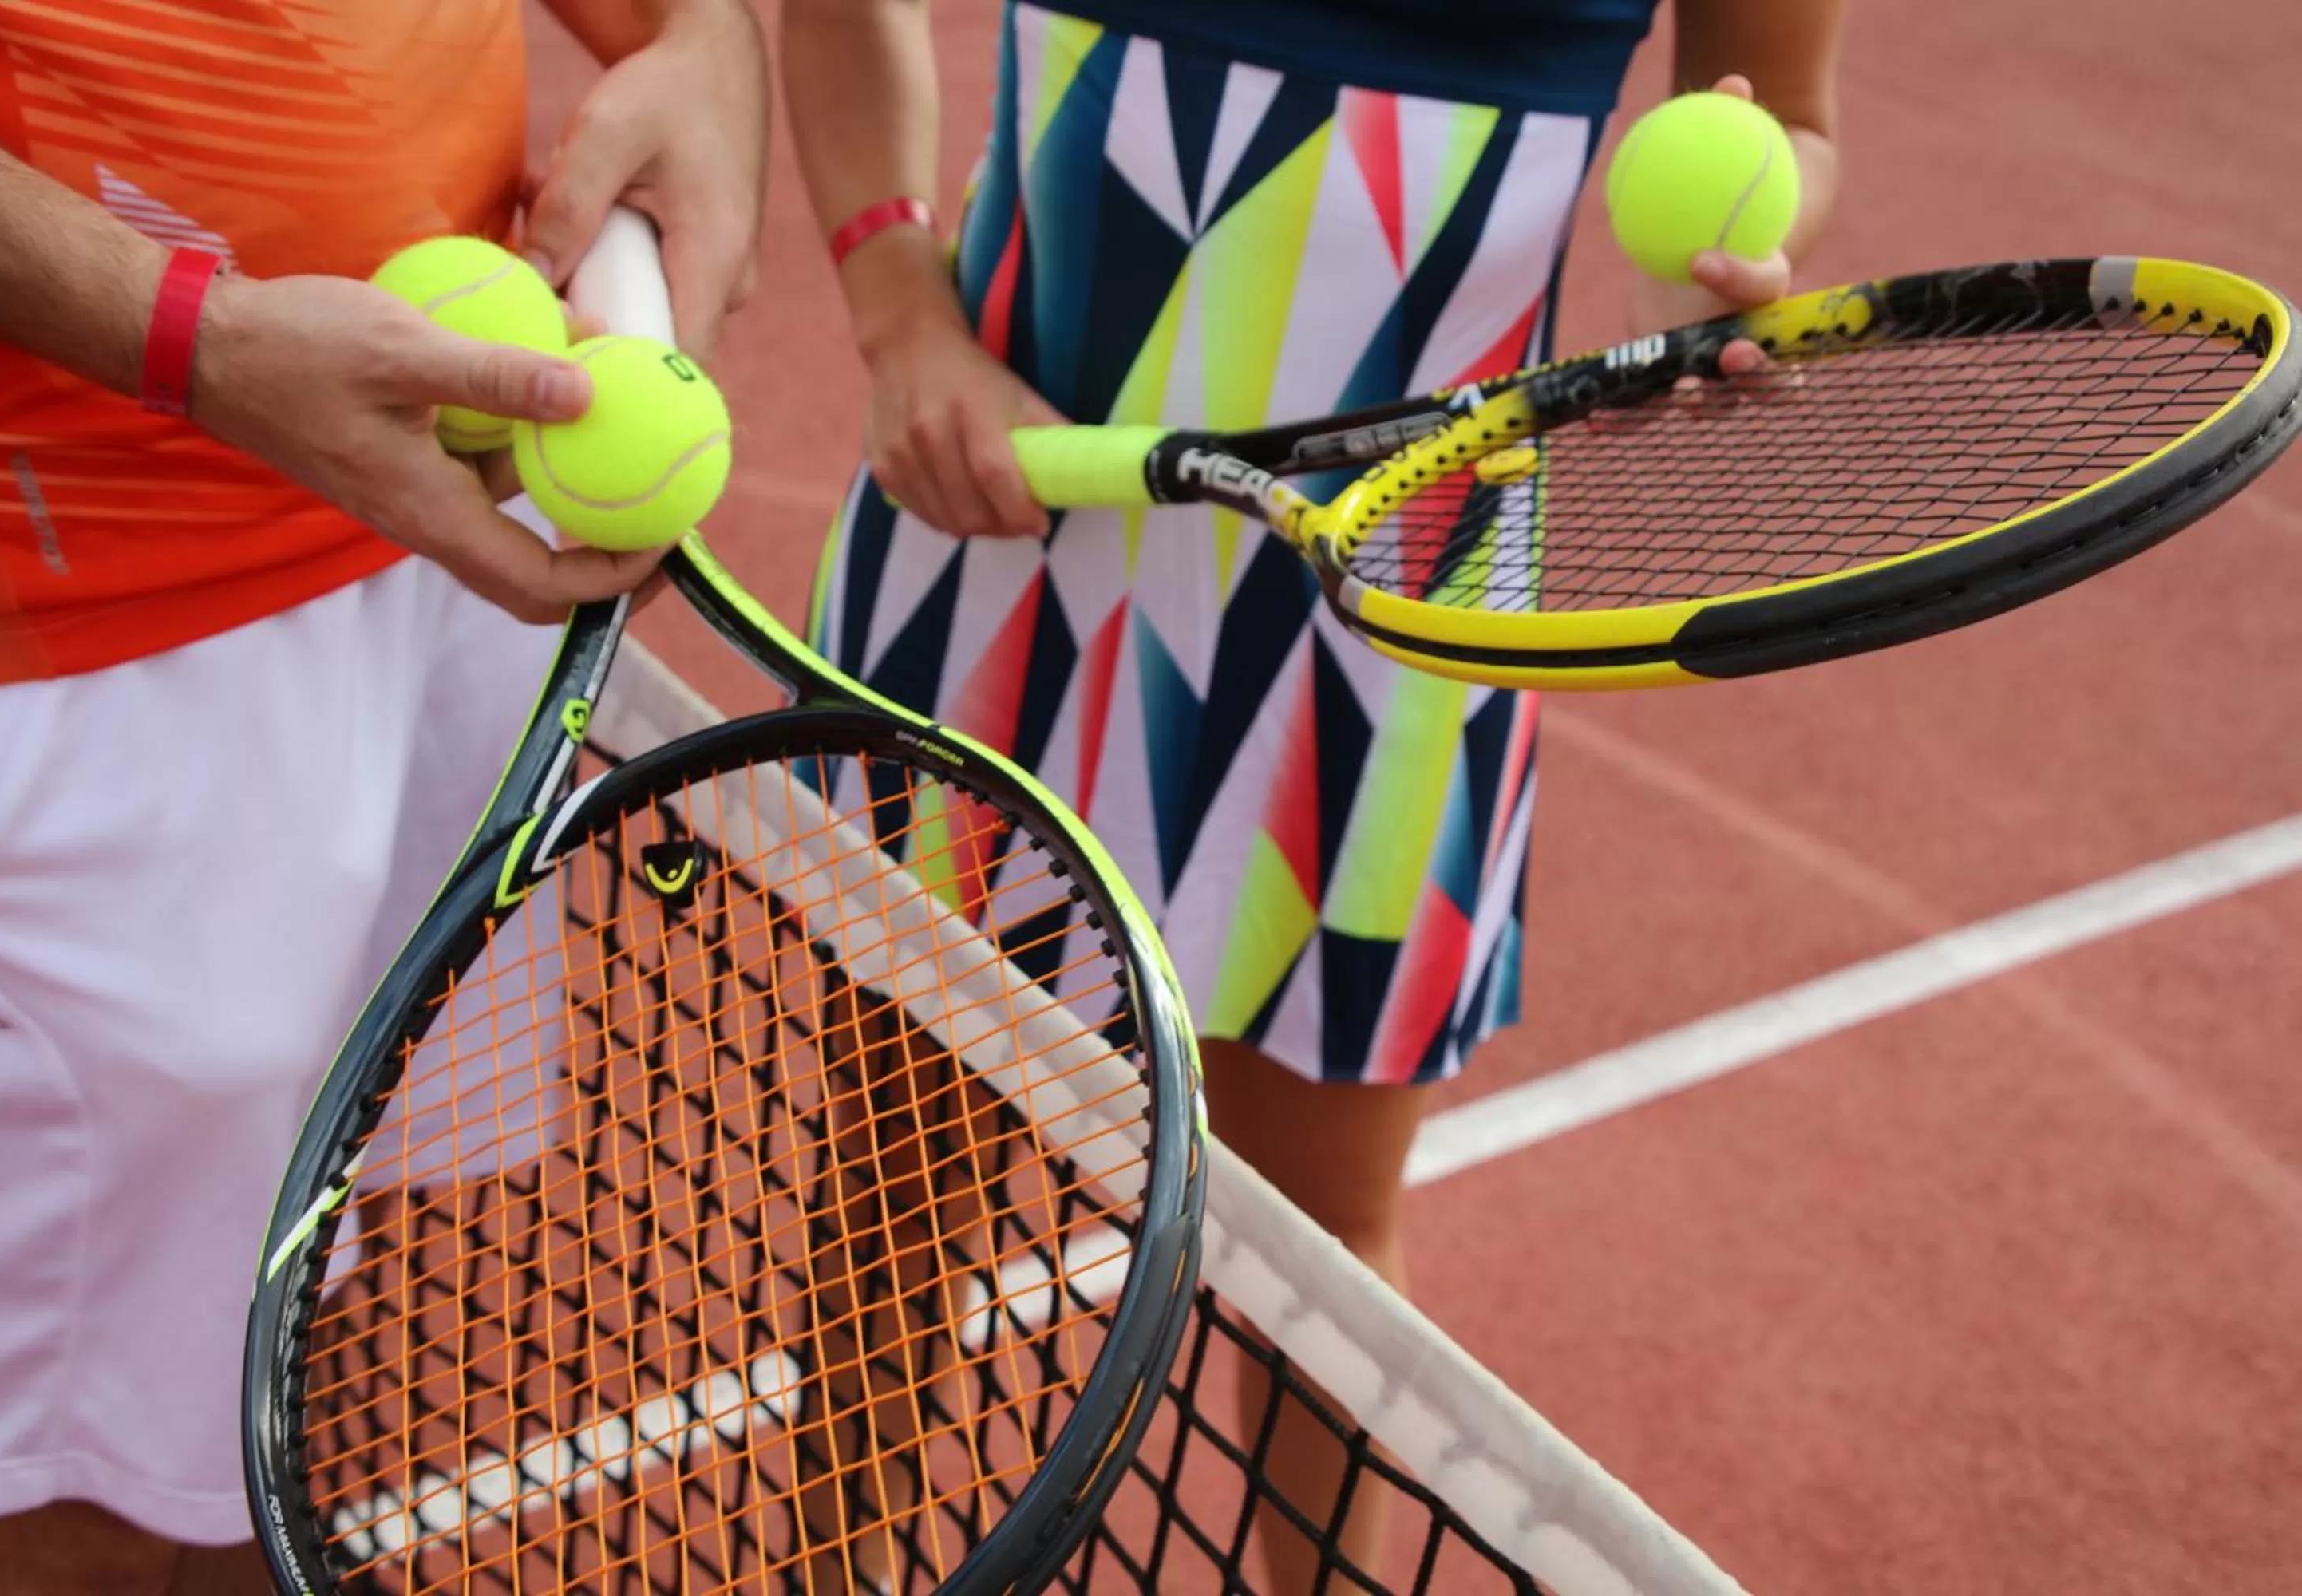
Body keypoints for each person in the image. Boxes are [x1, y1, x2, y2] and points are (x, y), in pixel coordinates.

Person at [779, 0, 1842, 1586]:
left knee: (1316, 1267)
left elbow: (1788, 118)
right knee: (897, 1193)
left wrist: (1722, 266)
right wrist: (895, 313)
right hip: (1001, 522)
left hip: (1395, 609)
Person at [0, 0, 766, 1590]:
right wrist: (193, 337)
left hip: (437, 508)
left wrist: (703, 41)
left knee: (288, 1367)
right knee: (52, 1508)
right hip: (58, 593)